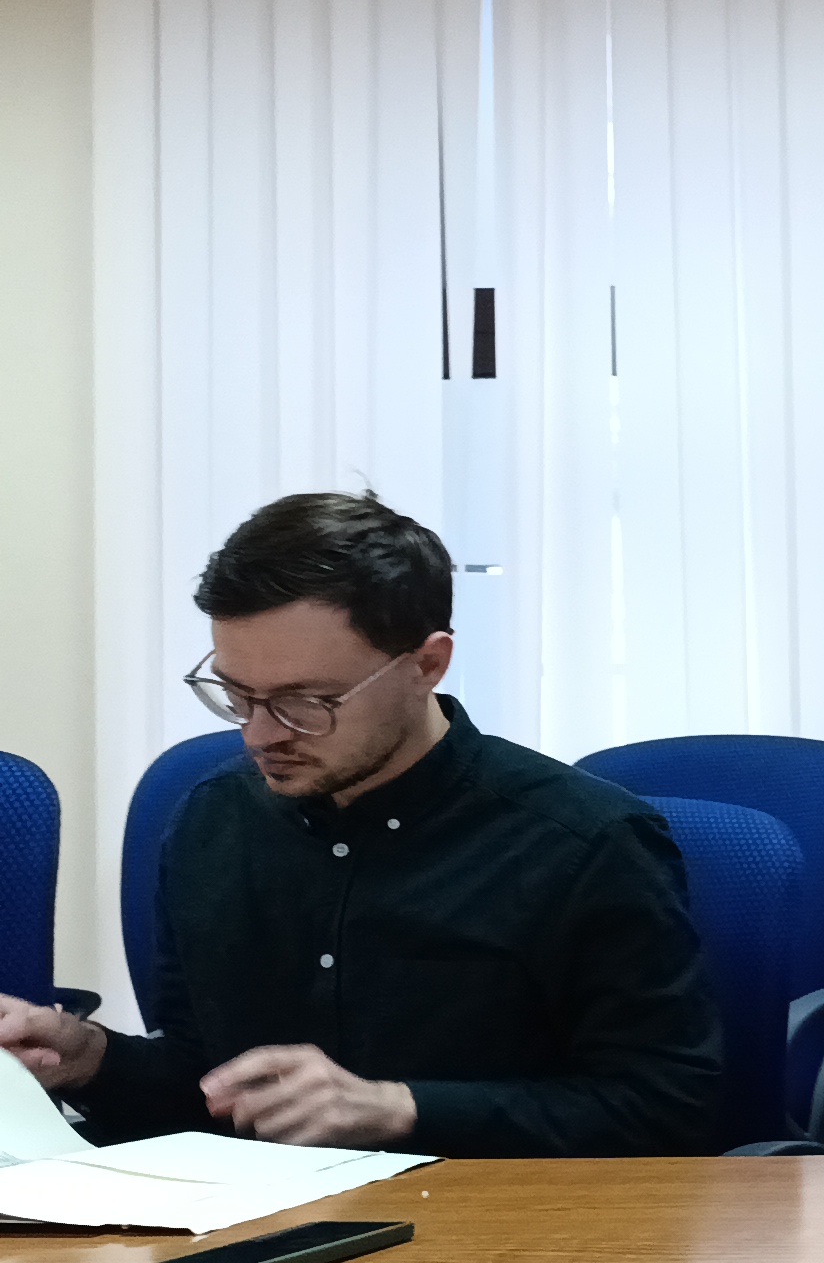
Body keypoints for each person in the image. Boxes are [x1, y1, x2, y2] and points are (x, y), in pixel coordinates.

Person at [0, 493, 720, 1154]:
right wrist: (91, 1059)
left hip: (504, 1229)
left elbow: (668, 1108)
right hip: (263, 1223)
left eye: (306, 702)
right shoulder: (212, 821)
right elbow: (206, 1085)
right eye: (236, 693)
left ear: (427, 665)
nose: (259, 734)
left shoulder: (583, 843)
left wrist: (401, 1109)